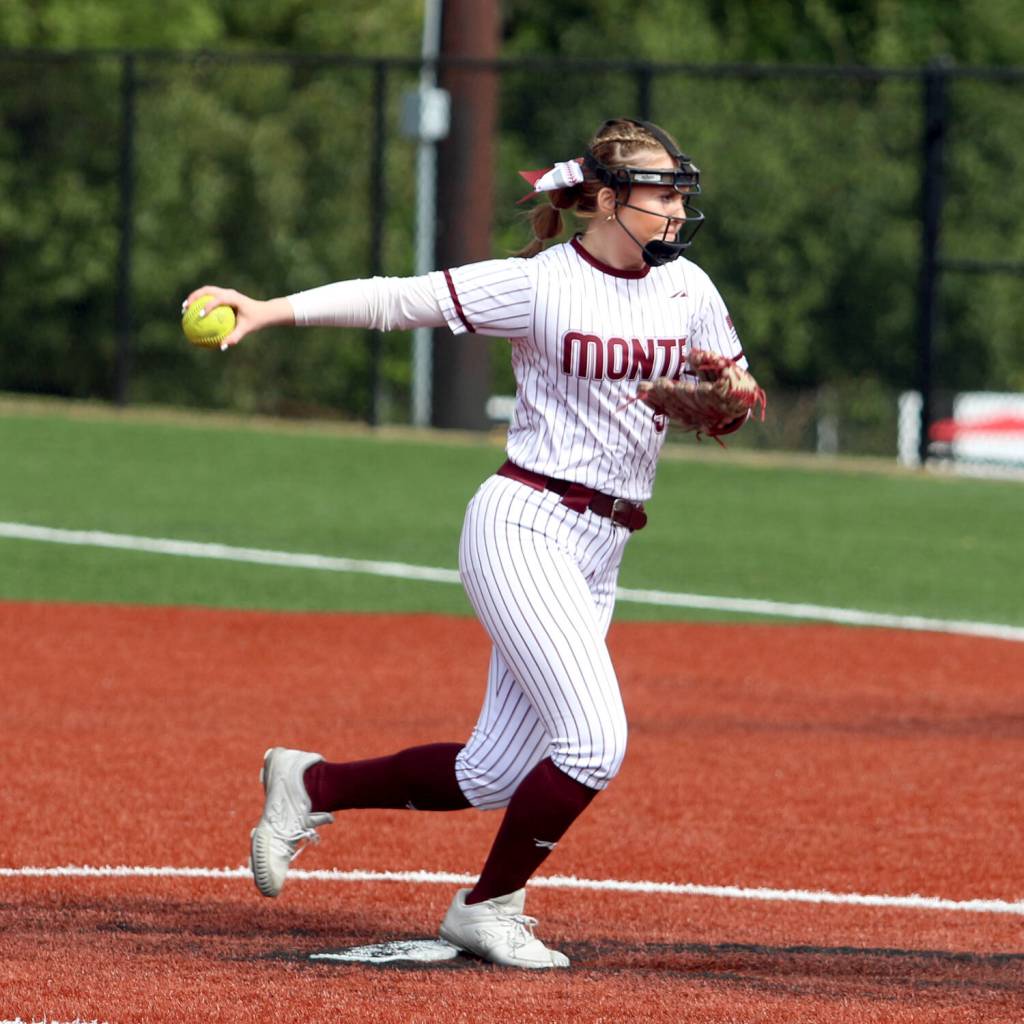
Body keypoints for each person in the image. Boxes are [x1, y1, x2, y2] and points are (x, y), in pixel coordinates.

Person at [185, 117, 756, 970]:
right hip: (524, 524)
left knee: (492, 773)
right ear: (605, 200)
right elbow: (396, 298)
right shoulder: (541, 285)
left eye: (681, 192)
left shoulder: (690, 291)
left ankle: (311, 783)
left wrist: (727, 398)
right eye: (663, 191)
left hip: (603, 546)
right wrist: (269, 310)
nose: (678, 207)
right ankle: (487, 907)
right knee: (595, 743)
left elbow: (738, 390)